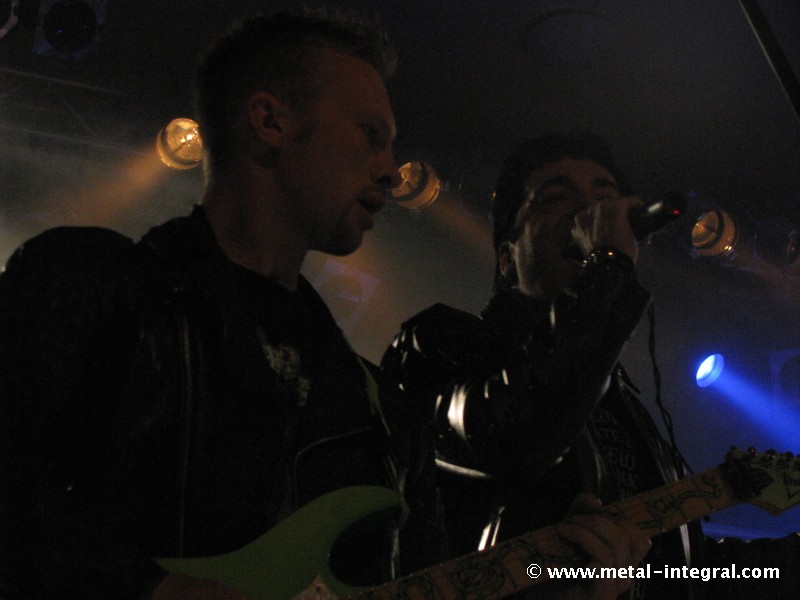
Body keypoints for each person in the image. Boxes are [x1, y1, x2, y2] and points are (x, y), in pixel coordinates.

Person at [0, 12, 648, 600]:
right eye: (370, 134)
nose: (390, 169)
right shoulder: (96, 285)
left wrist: (559, 588)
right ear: (271, 122)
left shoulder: (379, 409)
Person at [381, 132, 800, 600]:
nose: (590, 214)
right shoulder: (442, 341)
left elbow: (684, 572)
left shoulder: (619, 404)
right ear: (507, 260)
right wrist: (609, 264)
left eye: (605, 200)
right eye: (556, 199)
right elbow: (514, 436)